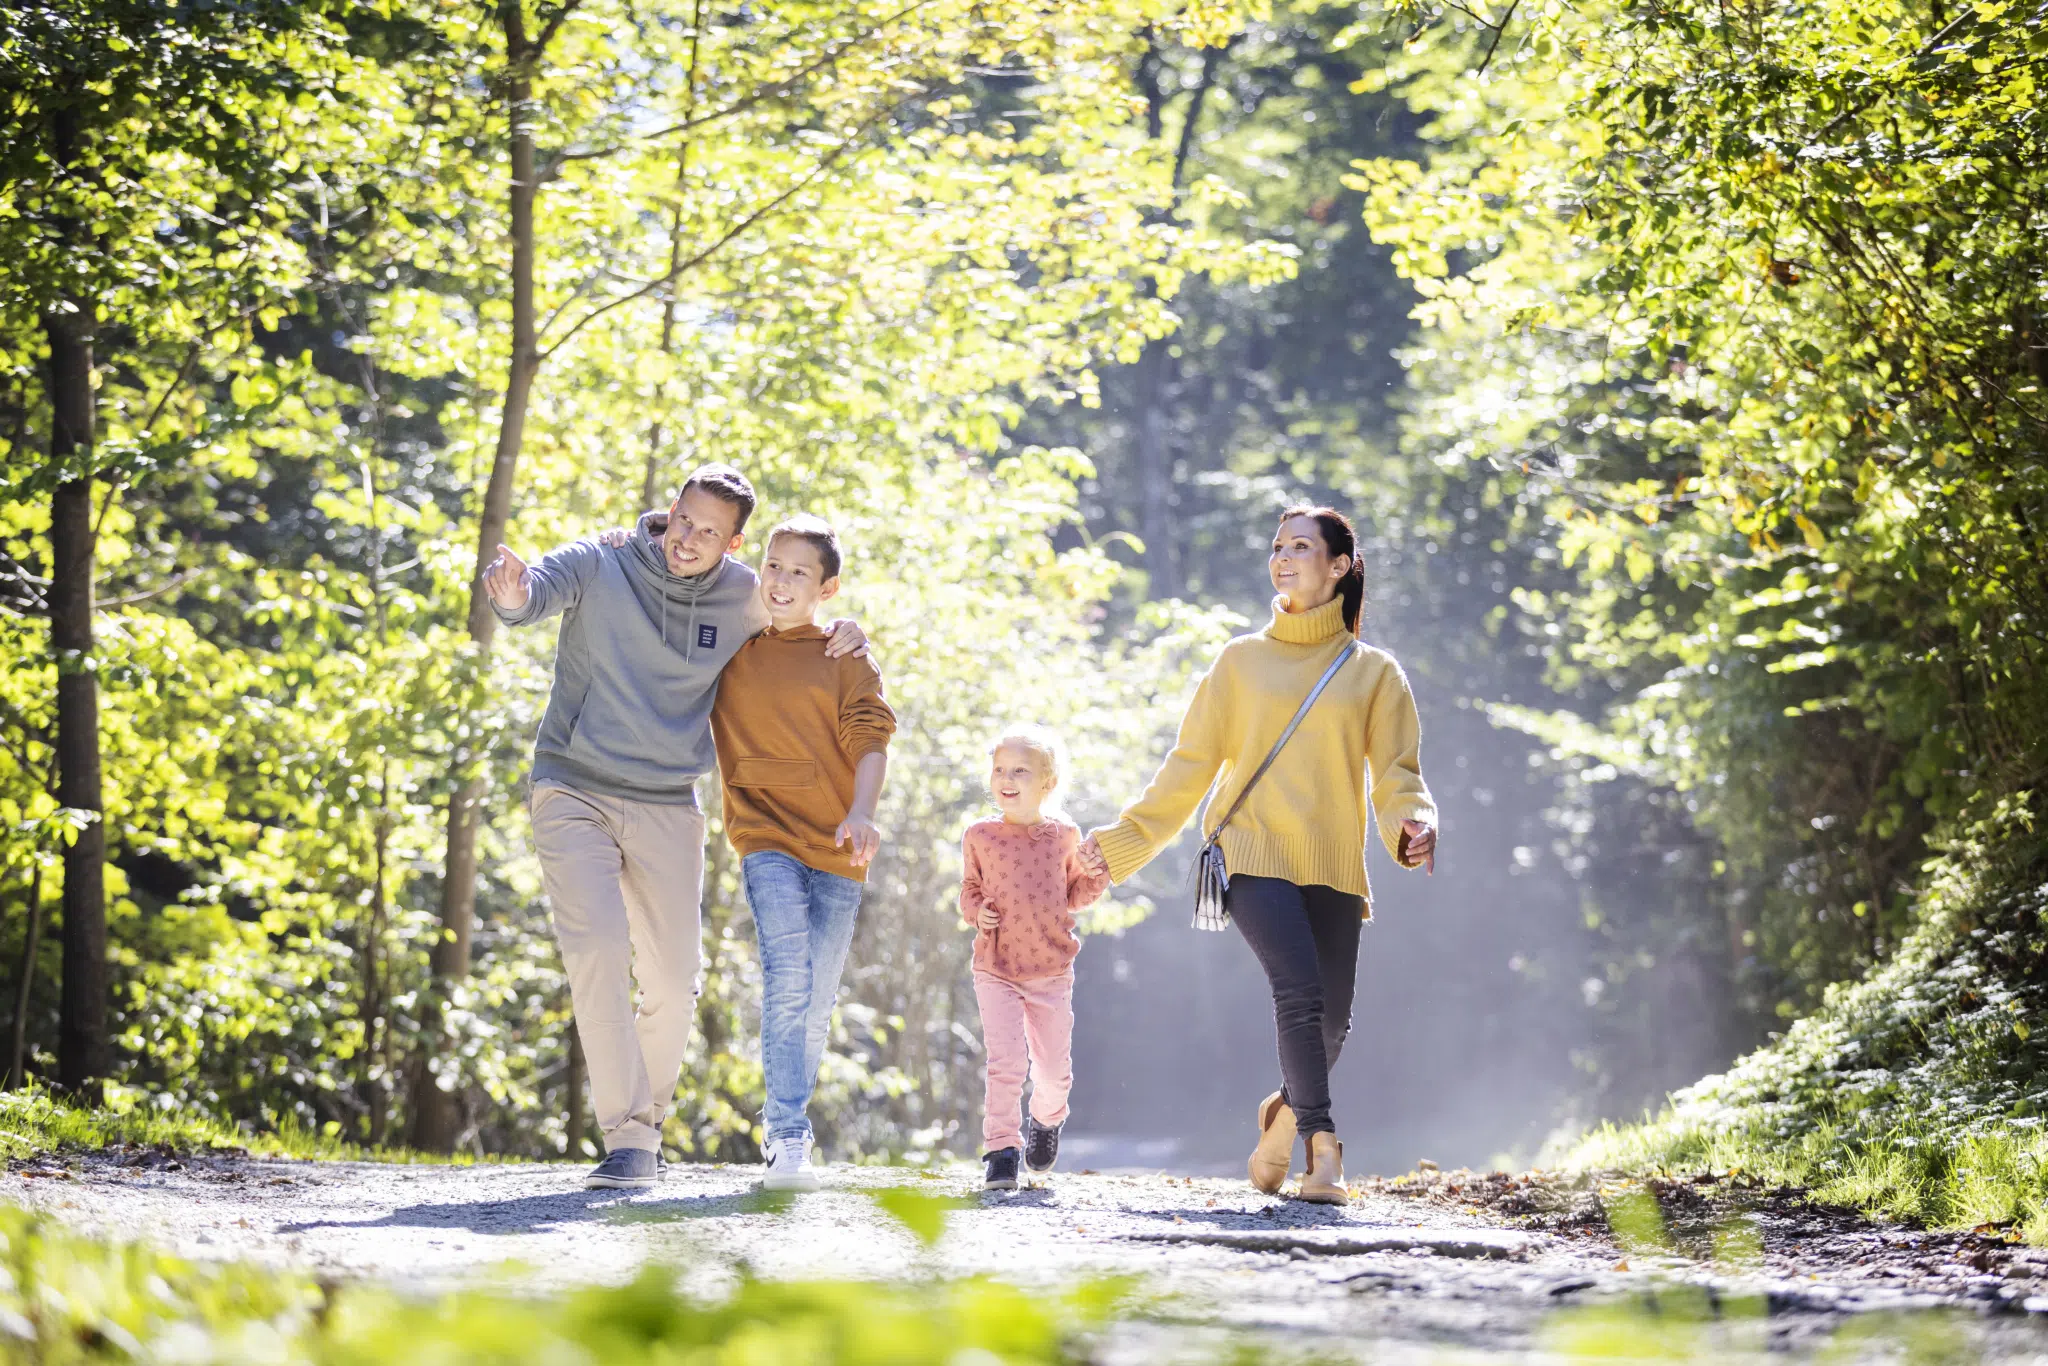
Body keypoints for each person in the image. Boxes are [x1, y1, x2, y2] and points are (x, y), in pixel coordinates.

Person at [482, 465, 865, 1190]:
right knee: (596, 949)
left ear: (734, 542)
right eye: (683, 520)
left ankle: (645, 1128)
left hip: (667, 800)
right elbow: (536, 591)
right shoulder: (600, 562)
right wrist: (514, 596)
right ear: (669, 510)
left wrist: (848, 629)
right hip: (573, 786)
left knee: (675, 977)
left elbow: (798, 613)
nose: (689, 539)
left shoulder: (744, 594)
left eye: (709, 532)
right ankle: (628, 1139)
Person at [1078, 505, 1438, 1205]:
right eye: (1278, 547)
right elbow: (1189, 766)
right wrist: (1122, 842)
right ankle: (1324, 1154)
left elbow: (1399, 775)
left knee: (1332, 1023)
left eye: (1301, 547)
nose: (1283, 558)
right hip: (1248, 854)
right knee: (1299, 995)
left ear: (1339, 566)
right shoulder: (1239, 662)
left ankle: (1281, 1116)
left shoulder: (1375, 674)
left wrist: (1413, 823)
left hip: (1332, 862)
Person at [709, 515, 895, 1192]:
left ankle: (784, 1124)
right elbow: (669, 575)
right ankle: (788, 1137)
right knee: (788, 974)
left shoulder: (846, 656)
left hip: (840, 841)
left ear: (828, 587)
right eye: (773, 565)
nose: (781, 580)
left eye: (798, 571)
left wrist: (863, 810)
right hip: (764, 833)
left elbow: (871, 736)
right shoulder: (731, 642)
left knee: (815, 999)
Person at [960, 725, 1109, 1191]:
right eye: (999, 769)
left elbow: (1076, 894)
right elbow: (968, 891)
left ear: (1047, 782)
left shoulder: (1064, 836)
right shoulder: (980, 835)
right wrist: (976, 912)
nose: (1006, 778)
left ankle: (1045, 1123)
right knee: (1005, 1063)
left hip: (1050, 971)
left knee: (1053, 1072)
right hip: (996, 967)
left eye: (1020, 771)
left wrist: (1099, 876)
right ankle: (1001, 1150)